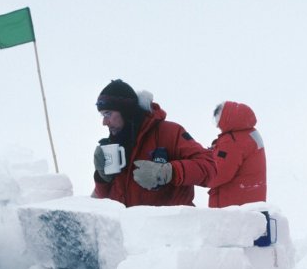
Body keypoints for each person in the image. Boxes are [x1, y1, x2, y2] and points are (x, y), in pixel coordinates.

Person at [92, 79, 217, 207]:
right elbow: (104, 202)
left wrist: (168, 172)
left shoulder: (169, 132)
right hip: (130, 226)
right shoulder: (113, 147)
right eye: (103, 115)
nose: (104, 122)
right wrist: (102, 178)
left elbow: (211, 167)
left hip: (171, 224)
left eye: (108, 113)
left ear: (126, 110)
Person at [205, 101, 267, 208]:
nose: (217, 126)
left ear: (225, 118)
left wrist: (198, 173)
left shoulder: (232, 141)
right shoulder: (250, 133)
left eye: (217, 120)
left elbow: (218, 175)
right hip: (251, 200)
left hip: (233, 207)